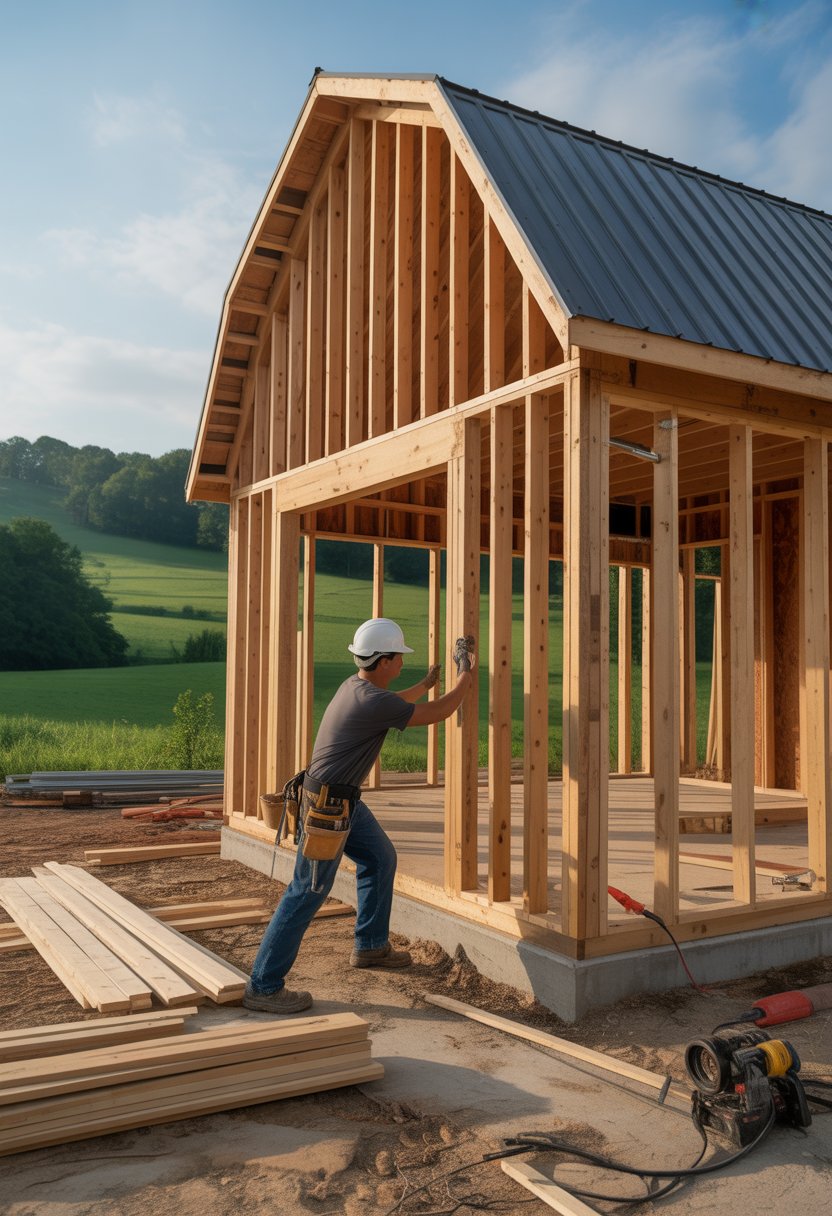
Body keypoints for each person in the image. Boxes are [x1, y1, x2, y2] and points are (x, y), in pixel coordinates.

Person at [243, 617, 475, 1013]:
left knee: (380, 858)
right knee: (306, 892)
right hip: (328, 810)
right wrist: (465, 671)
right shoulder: (373, 700)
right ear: (383, 660)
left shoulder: (357, 687)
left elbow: (399, 702)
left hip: (343, 801)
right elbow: (440, 711)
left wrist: (424, 683)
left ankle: (370, 947)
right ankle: (263, 986)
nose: (401, 662)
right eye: (398, 657)